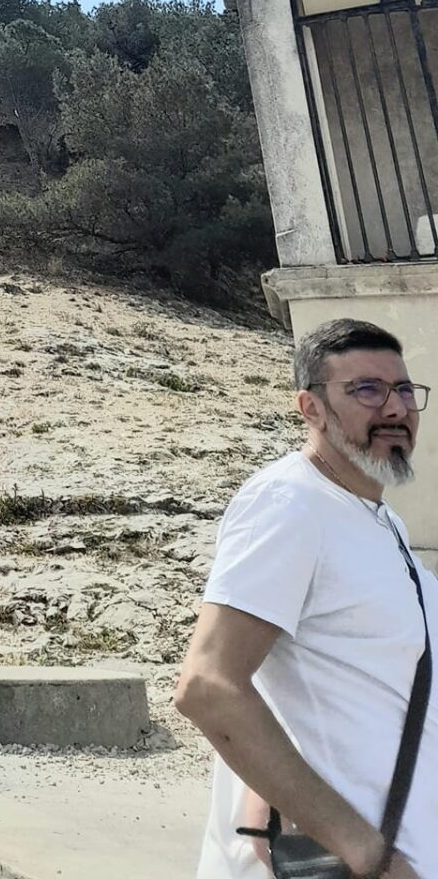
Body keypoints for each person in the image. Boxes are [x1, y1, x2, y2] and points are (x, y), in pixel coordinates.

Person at [176, 318, 431, 879]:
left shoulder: (380, 520)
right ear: (310, 408)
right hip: (339, 867)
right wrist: (367, 853)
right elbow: (209, 686)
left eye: (405, 390)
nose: (395, 409)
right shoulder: (288, 505)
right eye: (366, 390)